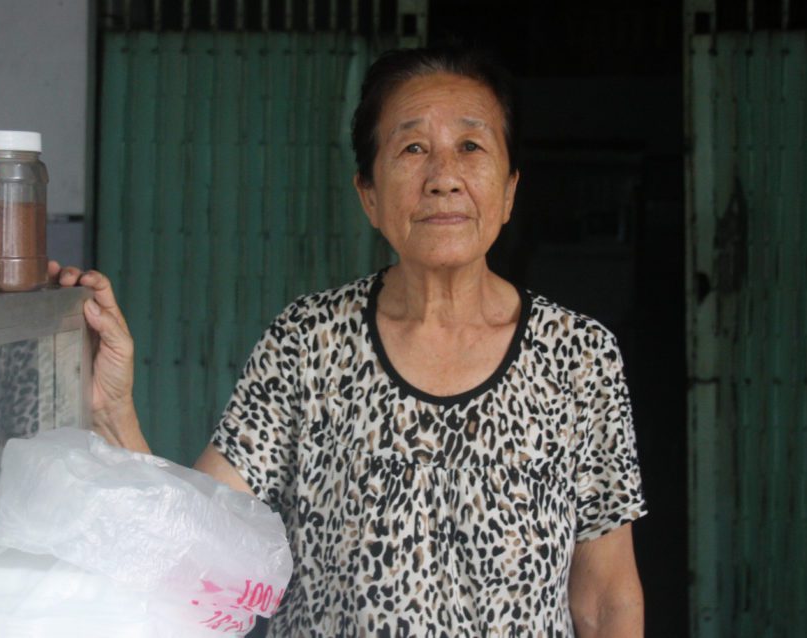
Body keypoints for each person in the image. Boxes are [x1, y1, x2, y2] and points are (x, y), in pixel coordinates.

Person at [53, 45, 647, 636]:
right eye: (413, 148)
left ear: (510, 190)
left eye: (471, 147)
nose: (444, 178)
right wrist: (113, 408)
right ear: (369, 194)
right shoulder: (308, 344)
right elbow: (197, 543)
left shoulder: (578, 356)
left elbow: (605, 598)